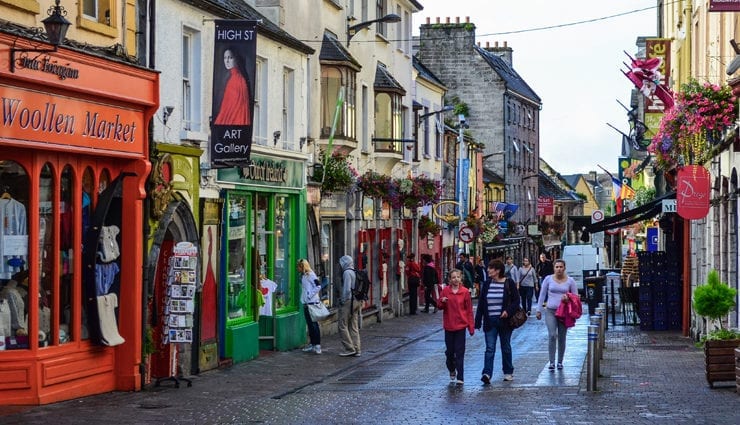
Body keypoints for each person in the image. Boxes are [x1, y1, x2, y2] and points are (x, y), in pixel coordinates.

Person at [475, 259, 519, 384]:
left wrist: (508, 311)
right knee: (490, 348)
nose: (488, 270)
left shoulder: (508, 283)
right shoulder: (487, 284)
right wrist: (478, 321)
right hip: (490, 321)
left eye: (491, 268)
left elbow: (516, 301)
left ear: (498, 270)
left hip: (505, 321)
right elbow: (481, 304)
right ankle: (487, 373)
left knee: (505, 347)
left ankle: (508, 372)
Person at [536, 259, 578, 371]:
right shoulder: (548, 279)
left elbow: (576, 298)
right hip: (551, 311)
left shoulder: (570, 281)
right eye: (557, 267)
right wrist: (539, 309)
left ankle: (560, 361)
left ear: (564, 268)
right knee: (552, 335)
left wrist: (568, 298)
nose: (559, 269)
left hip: (564, 313)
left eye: (561, 267)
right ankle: (551, 362)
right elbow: (542, 294)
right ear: (554, 268)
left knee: (562, 337)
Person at [437, 269, 474, 385]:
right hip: (449, 326)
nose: (456, 279)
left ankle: (461, 377)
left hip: (460, 326)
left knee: (460, 352)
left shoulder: (465, 292)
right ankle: (452, 368)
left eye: (458, 277)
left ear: (461, 278)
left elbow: (469, 310)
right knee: (450, 352)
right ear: (449, 279)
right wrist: (442, 301)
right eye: (453, 277)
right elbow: (439, 306)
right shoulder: (446, 291)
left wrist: (471, 326)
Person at [214, 47, 251, 125]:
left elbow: (237, 110)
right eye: (225, 58)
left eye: (230, 58)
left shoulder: (238, 80)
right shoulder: (231, 78)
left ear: (236, 59)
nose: (227, 61)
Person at [337, 255, 361, 357]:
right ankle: (357, 348)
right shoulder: (354, 271)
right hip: (357, 301)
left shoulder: (347, 273)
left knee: (342, 325)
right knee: (353, 326)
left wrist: (342, 300)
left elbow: (347, 289)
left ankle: (349, 348)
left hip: (348, 301)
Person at [298, 259, 322, 354]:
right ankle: (313, 344)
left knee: (314, 324)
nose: (297, 268)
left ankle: (317, 345)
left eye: (299, 267)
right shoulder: (303, 275)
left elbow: (318, 286)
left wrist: (309, 295)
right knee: (310, 324)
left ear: (303, 266)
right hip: (306, 303)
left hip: (312, 303)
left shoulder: (311, 275)